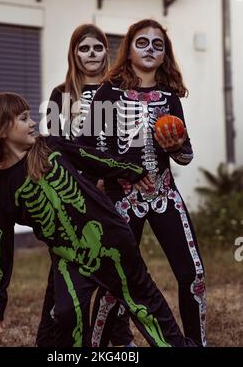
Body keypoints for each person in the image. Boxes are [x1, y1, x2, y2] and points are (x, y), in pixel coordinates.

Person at [0, 92, 197, 347]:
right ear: (1, 129)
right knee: (67, 313)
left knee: (144, 304)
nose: (33, 123)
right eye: (24, 119)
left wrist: (133, 170)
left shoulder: (49, 147)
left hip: (110, 239)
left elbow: (92, 158)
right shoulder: (1, 189)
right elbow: (1, 246)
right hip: (69, 258)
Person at [77, 19, 206, 347]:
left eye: (158, 44)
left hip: (164, 195)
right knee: (114, 283)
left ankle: (195, 344)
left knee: (194, 276)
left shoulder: (170, 96)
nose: (150, 49)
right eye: (142, 42)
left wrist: (177, 147)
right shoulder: (109, 93)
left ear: (165, 56)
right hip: (122, 200)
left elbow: (185, 156)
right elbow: (87, 148)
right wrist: (106, 182)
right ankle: (101, 350)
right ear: (129, 49)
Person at [37, 23, 134, 347]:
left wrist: (113, 179)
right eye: (84, 48)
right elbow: (52, 146)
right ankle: (52, 339)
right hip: (74, 192)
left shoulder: (121, 91)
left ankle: (118, 337)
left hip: (115, 189)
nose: (91, 55)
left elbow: (127, 141)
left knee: (118, 264)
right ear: (74, 54)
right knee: (63, 266)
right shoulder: (60, 95)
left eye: (97, 48)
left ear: (107, 51)